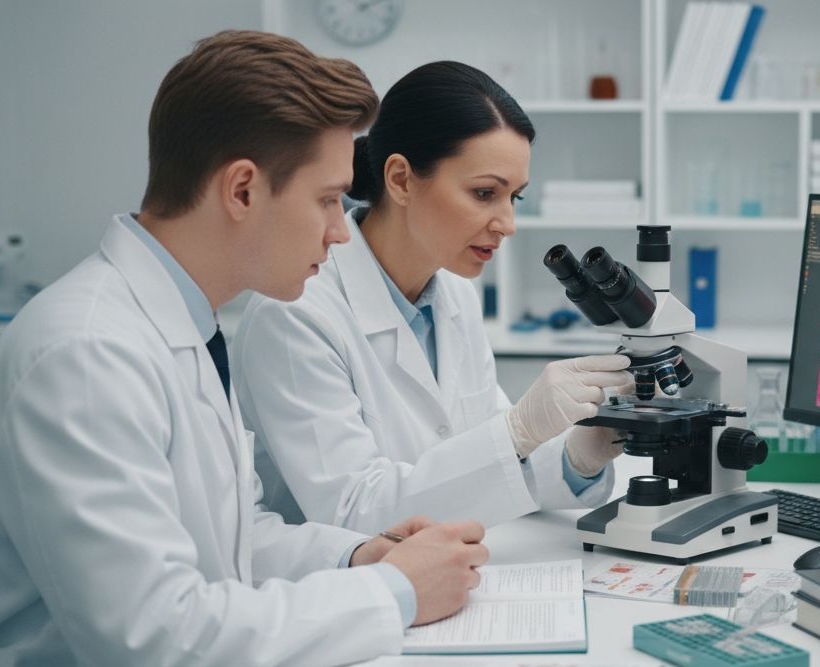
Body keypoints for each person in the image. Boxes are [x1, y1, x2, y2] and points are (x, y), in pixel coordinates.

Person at [0, 32, 487, 667]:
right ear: (242, 189)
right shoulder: (83, 355)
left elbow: (227, 542)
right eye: (330, 200)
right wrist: (392, 594)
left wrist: (358, 555)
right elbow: (150, 645)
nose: (343, 232)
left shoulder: (184, 325)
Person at [231, 61, 632, 535]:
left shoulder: (455, 295)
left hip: (447, 574)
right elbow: (352, 512)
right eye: (485, 193)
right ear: (400, 179)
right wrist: (518, 429)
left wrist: (576, 457)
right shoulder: (295, 314)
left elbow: (492, 467)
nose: (508, 223)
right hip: (344, 591)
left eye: (515, 198)